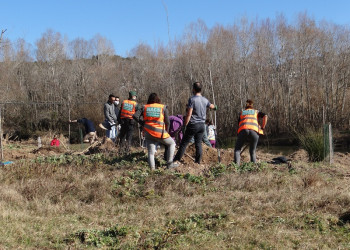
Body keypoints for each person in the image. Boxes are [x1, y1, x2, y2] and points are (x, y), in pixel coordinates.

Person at [173, 82, 217, 165]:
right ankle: (197, 162)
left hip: (193, 124)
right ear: (201, 89)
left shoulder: (192, 99)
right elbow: (212, 106)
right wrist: (215, 107)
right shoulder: (205, 99)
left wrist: (185, 125)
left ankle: (176, 160)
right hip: (202, 125)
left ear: (193, 89)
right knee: (198, 143)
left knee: (184, 143)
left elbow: (189, 114)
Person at [133, 93, 178, 170]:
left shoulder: (145, 107)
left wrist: (143, 123)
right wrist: (166, 131)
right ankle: (169, 164)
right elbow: (167, 122)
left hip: (148, 132)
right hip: (160, 133)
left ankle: (152, 170)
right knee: (172, 143)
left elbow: (135, 116)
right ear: (158, 99)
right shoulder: (163, 107)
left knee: (151, 152)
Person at [234, 99, 268, 166]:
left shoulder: (242, 112)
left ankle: (236, 167)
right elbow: (265, 116)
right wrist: (263, 127)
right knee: (252, 151)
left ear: (245, 106)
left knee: (237, 150)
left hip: (243, 130)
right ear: (252, 106)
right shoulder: (256, 112)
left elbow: (239, 124)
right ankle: (253, 167)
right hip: (254, 132)